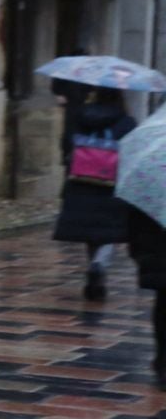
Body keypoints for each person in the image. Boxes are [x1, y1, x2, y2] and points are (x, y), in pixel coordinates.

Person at [55, 85, 137, 301]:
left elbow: (66, 144)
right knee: (108, 230)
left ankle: (94, 265)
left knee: (89, 229)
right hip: (112, 182)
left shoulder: (80, 115)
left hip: (81, 179)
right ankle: (99, 264)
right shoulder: (127, 122)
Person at [126, 203, 166, 389]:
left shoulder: (152, 179)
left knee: (163, 303)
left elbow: (135, 221)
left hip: (157, 248)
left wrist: (138, 252)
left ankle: (163, 360)